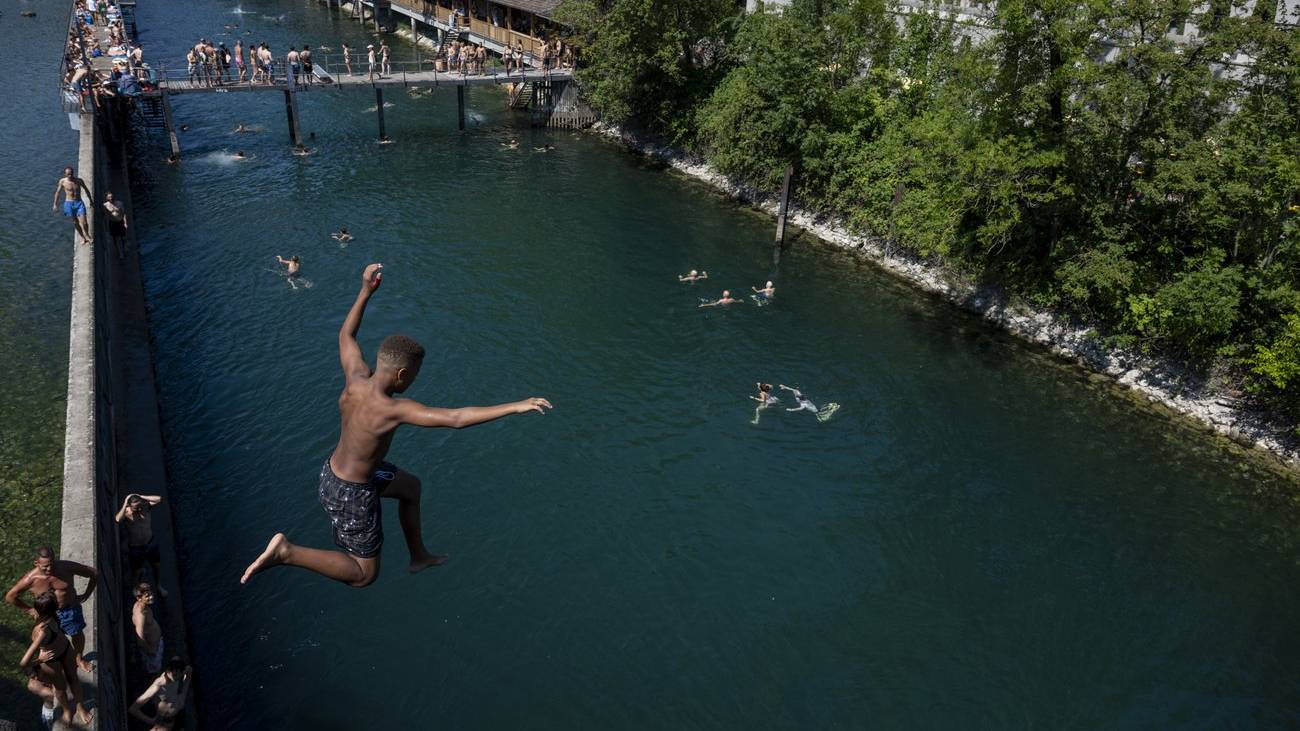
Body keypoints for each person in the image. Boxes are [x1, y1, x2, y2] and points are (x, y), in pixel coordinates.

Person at [240, 263, 553, 588]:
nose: (414, 381)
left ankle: (419, 556)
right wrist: (515, 406)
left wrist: (365, 291)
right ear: (402, 375)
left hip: (338, 471)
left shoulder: (356, 377)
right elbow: (456, 419)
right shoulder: (393, 409)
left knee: (410, 487)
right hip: (350, 492)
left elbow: (346, 335)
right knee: (364, 575)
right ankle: (287, 552)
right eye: (415, 375)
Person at [5, 547, 97, 674]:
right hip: (47, 616)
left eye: (52, 564)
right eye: (45, 566)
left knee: (77, 634)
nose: (49, 569)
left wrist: (86, 594)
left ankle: (79, 658)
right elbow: (10, 596)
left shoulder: (66, 567)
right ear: (36, 563)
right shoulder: (30, 579)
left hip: (69, 610)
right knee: (50, 645)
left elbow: (94, 573)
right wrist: (29, 610)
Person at [21, 592, 92, 727]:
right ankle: (66, 711)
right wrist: (39, 660)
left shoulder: (53, 616)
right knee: (60, 690)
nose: (60, 604)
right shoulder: (43, 631)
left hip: (66, 650)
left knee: (74, 680)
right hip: (51, 661)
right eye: (56, 604)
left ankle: (80, 707)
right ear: (52, 609)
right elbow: (24, 662)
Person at [116, 493, 169, 597]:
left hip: (150, 543)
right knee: (136, 571)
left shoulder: (145, 508)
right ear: (129, 506)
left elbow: (159, 498)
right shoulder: (126, 513)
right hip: (136, 548)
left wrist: (141, 496)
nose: (139, 509)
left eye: (139, 506)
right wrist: (125, 502)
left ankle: (159, 586)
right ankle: (136, 588)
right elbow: (117, 519)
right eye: (136, 507)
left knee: (157, 566)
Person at [130, 656, 191, 730]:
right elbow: (133, 709)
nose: (177, 677)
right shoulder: (158, 685)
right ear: (168, 671)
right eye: (175, 675)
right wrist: (151, 721)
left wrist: (183, 694)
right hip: (162, 721)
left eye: (179, 675)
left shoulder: (179, 673)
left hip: (175, 717)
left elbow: (188, 670)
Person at [52, 166, 93, 245]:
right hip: (69, 203)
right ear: (65, 174)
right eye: (68, 174)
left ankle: (87, 235)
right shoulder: (62, 181)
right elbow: (58, 192)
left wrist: (90, 200)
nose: (70, 175)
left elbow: (86, 190)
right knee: (75, 222)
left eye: (71, 174)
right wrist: (55, 204)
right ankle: (82, 237)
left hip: (79, 203)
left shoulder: (79, 181)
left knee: (84, 222)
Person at [132, 582, 164, 674]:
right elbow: (140, 638)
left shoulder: (141, 606)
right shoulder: (141, 615)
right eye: (147, 596)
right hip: (152, 649)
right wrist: (150, 650)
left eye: (151, 594)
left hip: (155, 643)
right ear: (139, 598)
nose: (151, 597)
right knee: (154, 669)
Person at [103, 190, 128, 260]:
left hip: (120, 222)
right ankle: (120, 253)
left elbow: (123, 213)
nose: (111, 198)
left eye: (111, 197)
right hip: (112, 223)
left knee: (123, 237)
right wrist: (106, 226)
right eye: (109, 197)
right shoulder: (105, 205)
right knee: (115, 238)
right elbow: (105, 216)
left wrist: (125, 223)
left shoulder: (119, 203)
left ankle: (124, 248)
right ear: (107, 198)